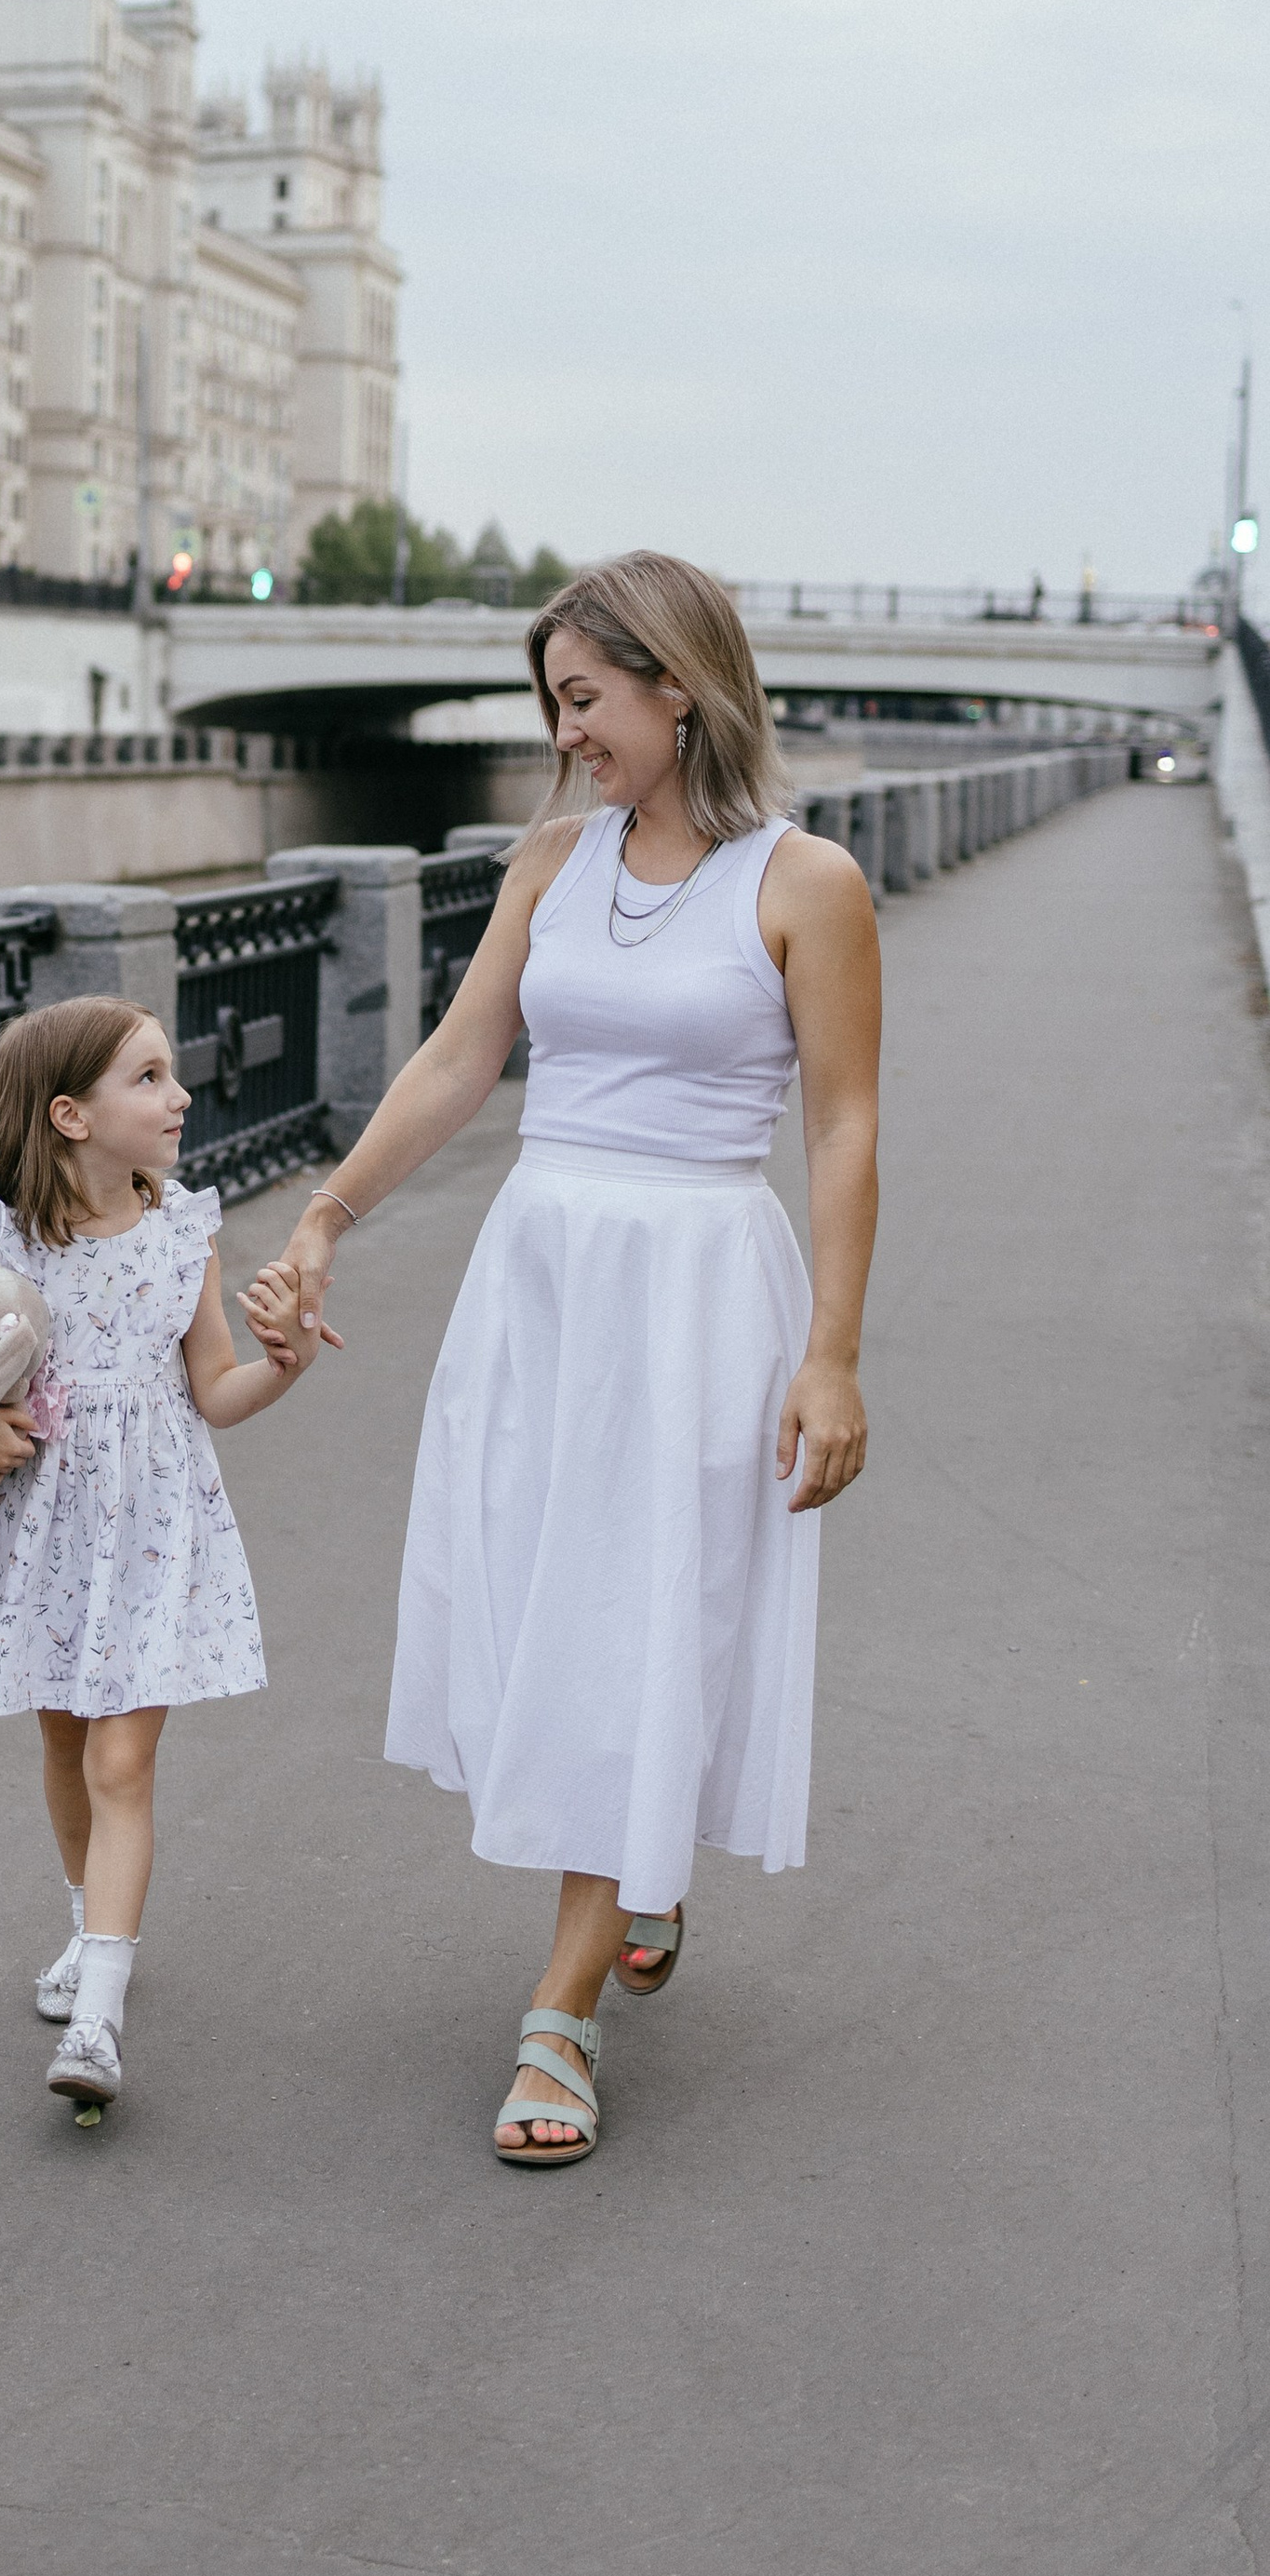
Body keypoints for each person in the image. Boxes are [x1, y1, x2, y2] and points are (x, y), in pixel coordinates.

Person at [248, 550, 878, 2168]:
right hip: (542, 1280)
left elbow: (844, 1127)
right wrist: (325, 1217)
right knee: (548, 1602)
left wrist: (833, 1354)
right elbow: (464, 1060)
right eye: (553, 704)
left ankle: (561, 2011)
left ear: (678, 683)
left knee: (632, 1619)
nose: (567, 730)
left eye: (585, 698)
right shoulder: (552, 860)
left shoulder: (807, 884)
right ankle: (642, 1865)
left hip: (694, 1296)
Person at [0, 995, 327, 2115]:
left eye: (171, 1077)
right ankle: (88, 1923)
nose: (179, 1097)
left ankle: (99, 2018)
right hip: (41, 1527)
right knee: (67, 1741)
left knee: (123, 1764)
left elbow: (215, 1392)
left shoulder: (184, 1228)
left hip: (151, 1528)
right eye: (150, 1078)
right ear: (70, 1114)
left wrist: (290, 1360)